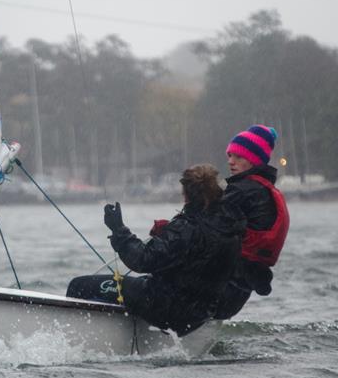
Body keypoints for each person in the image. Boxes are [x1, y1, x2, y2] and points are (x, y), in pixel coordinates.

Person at [66, 164, 245, 336]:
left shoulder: (185, 228)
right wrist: (167, 233)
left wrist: (118, 229)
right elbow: (196, 260)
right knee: (138, 284)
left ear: (187, 194)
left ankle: (82, 342)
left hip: (166, 309)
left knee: (78, 286)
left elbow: (142, 260)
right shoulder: (232, 228)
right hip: (200, 313)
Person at [213, 124, 290, 320]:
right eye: (229, 155)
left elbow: (202, 227)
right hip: (236, 294)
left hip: (219, 289)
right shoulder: (262, 189)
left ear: (254, 160)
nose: (231, 161)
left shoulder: (242, 191)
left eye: (238, 157)